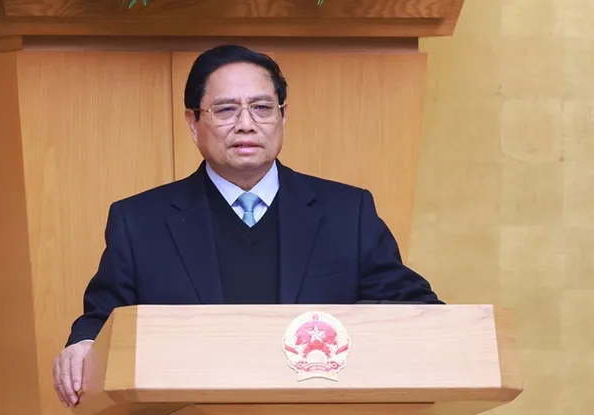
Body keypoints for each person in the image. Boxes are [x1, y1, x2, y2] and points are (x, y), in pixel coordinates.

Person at [52, 44, 443, 408]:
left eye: (262, 107)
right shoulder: (140, 221)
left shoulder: (346, 212)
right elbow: (103, 321)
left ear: (283, 116)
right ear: (193, 122)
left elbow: (414, 308)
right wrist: (83, 344)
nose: (246, 124)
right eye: (225, 110)